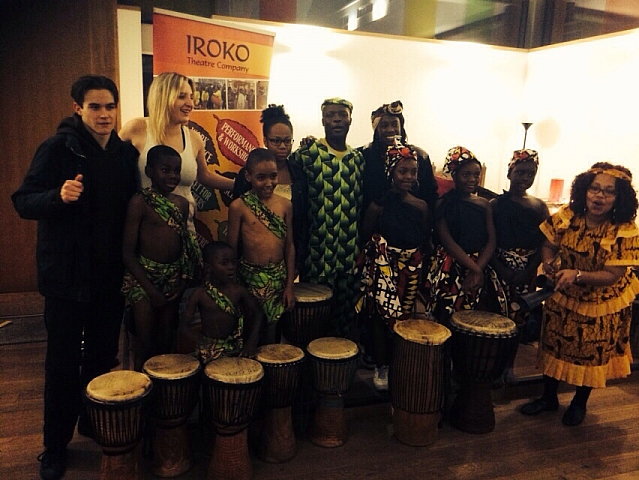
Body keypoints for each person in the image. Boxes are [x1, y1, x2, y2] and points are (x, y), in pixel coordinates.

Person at [11, 75, 140, 480]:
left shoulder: (124, 154)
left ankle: (90, 419)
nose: (104, 115)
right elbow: (23, 201)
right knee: (62, 364)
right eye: (94, 107)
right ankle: (54, 447)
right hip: (66, 279)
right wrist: (57, 196)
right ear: (78, 108)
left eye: (109, 107)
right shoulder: (57, 148)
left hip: (108, 277)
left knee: (102, 356)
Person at [520, 162, 639, 426]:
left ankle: (578, 403)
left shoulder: (624, 229)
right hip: (564, 294)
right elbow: (549, 244)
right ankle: (549, 398)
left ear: (619, 197)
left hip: (601, 302)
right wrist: (549, 262)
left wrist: (577, 274)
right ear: (584, 190)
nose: (599, 196)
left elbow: (613, 274)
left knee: (590, 352)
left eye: (609, 191)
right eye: (595, 188)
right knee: (554, 344)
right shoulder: (568, 215)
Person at [119, 71, 234, 233]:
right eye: (181, 96)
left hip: (185, 231)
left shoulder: (194, 138)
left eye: (191, 97)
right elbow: (110, 161)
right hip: (146, 233)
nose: (190, 104)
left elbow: (205, 176)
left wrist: (241, 185)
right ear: (163, 96)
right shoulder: (136, 128)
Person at [121, 145, 203, 371]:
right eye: (165, 170)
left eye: (176, 171)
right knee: (144, 341)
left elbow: (184, 247)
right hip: (143, 280)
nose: (172, 176)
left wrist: (182, 282)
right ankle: (140, 388)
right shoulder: (140, 202)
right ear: (149, 172)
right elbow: (127, 252)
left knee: (166, 340)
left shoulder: (182, 204)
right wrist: (151, 290)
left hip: (172, 280)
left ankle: (164, 390)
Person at [290, 98, 365, 338]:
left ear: (350, 120)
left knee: (344, 315)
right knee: (314, 315)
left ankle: (341, 356)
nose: (336, 119)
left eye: (342, 115)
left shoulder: (357, 159)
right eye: (331, 115)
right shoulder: (307, 154)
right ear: (323, 120)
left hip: (348, 253)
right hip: (317, 253)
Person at [358, 139, 429, 390]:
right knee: (380, 317)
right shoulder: (377, 206)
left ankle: (399, 362)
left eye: (413, 172)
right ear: (391, 172)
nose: (408, 177)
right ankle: (381, 365)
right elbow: (366, 235)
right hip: (383, 267)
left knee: (404, 316)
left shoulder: (421, 206)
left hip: (410, 267)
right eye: (402, 171)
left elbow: (424, 239)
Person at [423, 146, 508, 323]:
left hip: (479, 261)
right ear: (454, 175)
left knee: (475, 317)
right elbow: (447, 242)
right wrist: (475, 269)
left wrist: (478, 267)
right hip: (449, 265)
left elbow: (491, 240)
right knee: (446, 315)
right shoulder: (443, 204)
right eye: (466, 175)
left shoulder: (484, 204)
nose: (472, 179)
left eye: (476, 175)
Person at [490, 149, 549, 383]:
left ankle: (509, 366)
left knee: (519, 317)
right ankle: (491, 366)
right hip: (498, 267)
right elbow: (489, 240)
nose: (525, 177)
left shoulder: (539, 207)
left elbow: (545, 242)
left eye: (530, 174)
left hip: (527, 269)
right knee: (496, 314)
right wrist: (500, 267)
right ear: (509, 172)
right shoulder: (495, 205)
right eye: (520, 172)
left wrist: (529, 269)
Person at [227, 148, 296, 344]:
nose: (269, 183)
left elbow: (289, 246)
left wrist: (289, 285)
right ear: (248, 176)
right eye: (261, 177)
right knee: (251, 329)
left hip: (278, 278)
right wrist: (232, 284)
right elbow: (231, 249)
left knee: (273, 333)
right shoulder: (239, 207)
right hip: (249, 278)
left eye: (273, 176)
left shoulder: (285, 205)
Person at [233, 104, 309, 272]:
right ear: (265, 140)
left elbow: (301, 222)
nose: (282, 146)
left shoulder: (298, 174)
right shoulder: (246, 176)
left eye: (287, 141)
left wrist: (298, 262)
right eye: (276, 141)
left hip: (286, 258)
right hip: (251, 262)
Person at [180, 241, 262, 364]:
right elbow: (184, 326)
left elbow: (258, 313)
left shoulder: (238, 291)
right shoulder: (200, 294)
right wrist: (203, 343)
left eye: (233, 262)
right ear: (209, 268)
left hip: (234, 349)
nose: (231, 267)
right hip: (208, 353)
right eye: (224, 263)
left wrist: (251, 342)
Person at [360, 100, 438, 214]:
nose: (391, 130)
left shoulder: (419, 157)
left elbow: (430, 195)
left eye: (395, 124)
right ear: (376, 130)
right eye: (384, 125)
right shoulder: (364, 156)